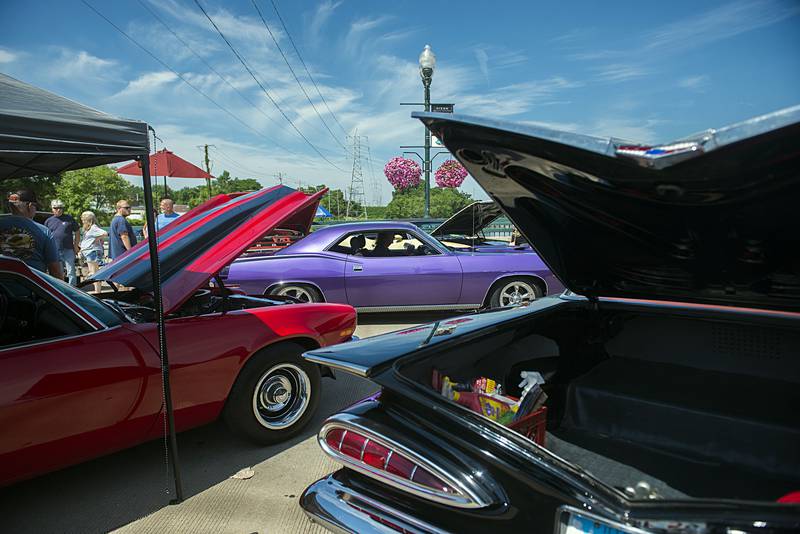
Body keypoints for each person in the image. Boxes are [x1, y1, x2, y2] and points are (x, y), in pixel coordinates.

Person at [0, 189, 63, 277]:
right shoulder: (44, 231)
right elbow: (56, 271)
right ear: (29, 206)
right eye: (35, 206)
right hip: (32, 287)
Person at [44, 199, 80, 285]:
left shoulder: (69, 218)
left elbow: (77, 231)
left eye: (60, 207)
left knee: (71, 271)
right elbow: (45, 236)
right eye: (55, 208)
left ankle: (73, 289)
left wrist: (76, 246)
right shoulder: (48, 221)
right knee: (58, 272)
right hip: (55, 250)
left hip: (68, 249)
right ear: (52, 209)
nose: (58, 209)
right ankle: (62, 289)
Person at [79, 211, 107, 293]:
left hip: (92, 252)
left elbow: (105, 233)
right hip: (89, 252)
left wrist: (97, 239)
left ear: (88, 220)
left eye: (84, 220)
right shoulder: (89, 229)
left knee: (94, 273)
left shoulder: (93, 228)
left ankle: (97, 292)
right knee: (93, 273)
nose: (83, 221)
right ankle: (97, 291)